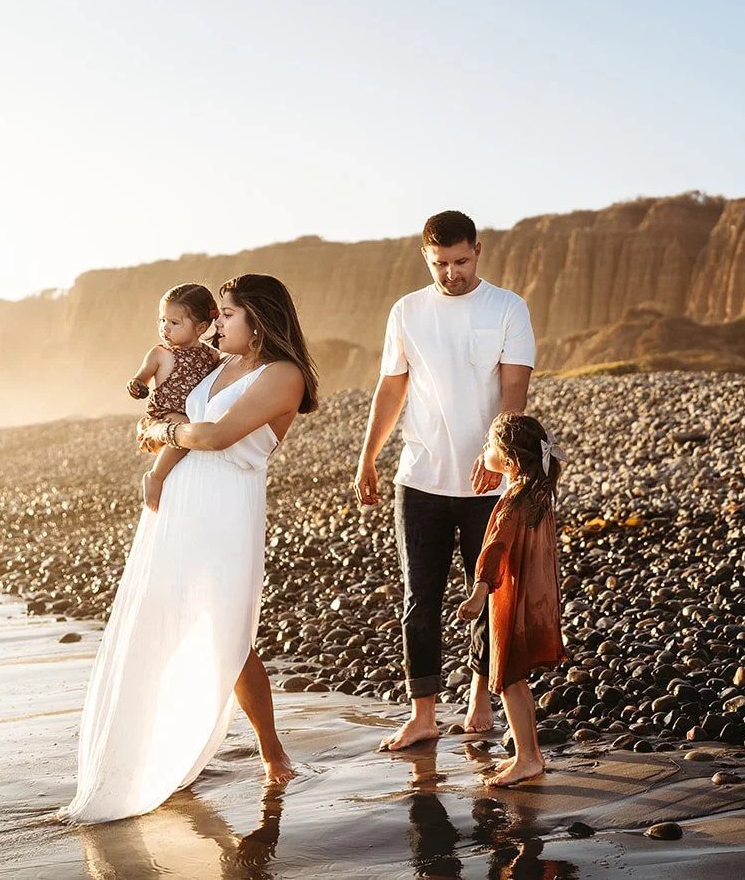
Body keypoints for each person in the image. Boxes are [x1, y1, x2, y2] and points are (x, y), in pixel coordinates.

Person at [57, 274, 320, 825]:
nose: (217, 322)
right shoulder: (220, 365)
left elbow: (217, 436)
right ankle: (155, 750)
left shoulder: (283, 375)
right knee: (163, 619)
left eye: (227, 314)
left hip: (226, 504)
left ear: (259, 319)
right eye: (218, 314)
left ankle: (273, 754)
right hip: (182, 501)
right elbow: (174, 413)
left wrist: (165, 436)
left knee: (228, 629)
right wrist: (161, 454)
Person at [355, 210, 535, 751]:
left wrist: (495, 452)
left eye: (459, 261)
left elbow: (514, 392)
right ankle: (423, 715)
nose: (451, 273)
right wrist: (368, 457)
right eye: (440, 264)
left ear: (477, 251)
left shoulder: (507, 307)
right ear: (425, 257)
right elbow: (392, 389)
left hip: (489, 484)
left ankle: (481, 699)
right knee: (420, 597)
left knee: (488, 594)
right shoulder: (407, 311)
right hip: (420, 478)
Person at [458, 412, 567, 787]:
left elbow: (495, 549)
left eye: (489, 445)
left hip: (513, 602)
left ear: (507, 460)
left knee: (508, 680)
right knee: (514, 679)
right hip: (536, 601)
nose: (484, 450)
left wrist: (478, 592)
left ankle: (527, 758)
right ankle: (529, 754)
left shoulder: (512, 500)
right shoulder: (536, 494)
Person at [126, 283, 222, 512]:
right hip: (164, 416)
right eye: (162, 320)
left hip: (192, 418)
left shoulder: (212, 355)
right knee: (185, 427)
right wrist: (136, 386)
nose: (164, 328)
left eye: (174, 322)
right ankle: (155, 476)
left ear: (201, 327)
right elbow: (140, 378)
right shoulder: (160, 354)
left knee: (192, 429)